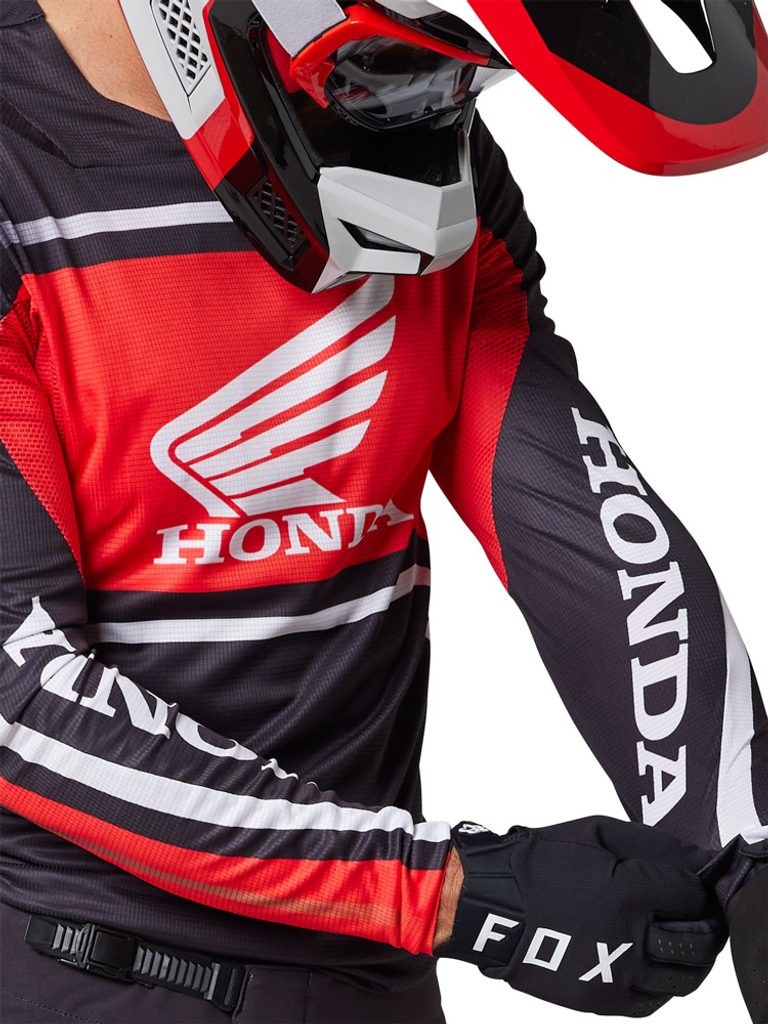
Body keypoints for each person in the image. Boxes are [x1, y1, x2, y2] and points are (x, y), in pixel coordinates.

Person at [0, 2, 765, 1022]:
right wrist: (453, 893)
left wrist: (745, 841)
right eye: (405, 63)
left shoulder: (427, 148)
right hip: (96, 978)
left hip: (379, 970)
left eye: (464, 69)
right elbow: (20, 694)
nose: (437, 100)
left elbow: (586, 532)